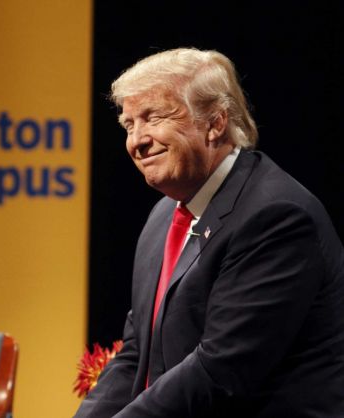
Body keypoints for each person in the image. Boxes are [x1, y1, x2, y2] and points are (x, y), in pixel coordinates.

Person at [74, 48, 344, 417]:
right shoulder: (164, 216)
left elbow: (220, 368)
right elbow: (137, 352)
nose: (137, 141)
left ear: (216, 123)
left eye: (153, 118)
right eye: (129, 124)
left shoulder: (276, 217)